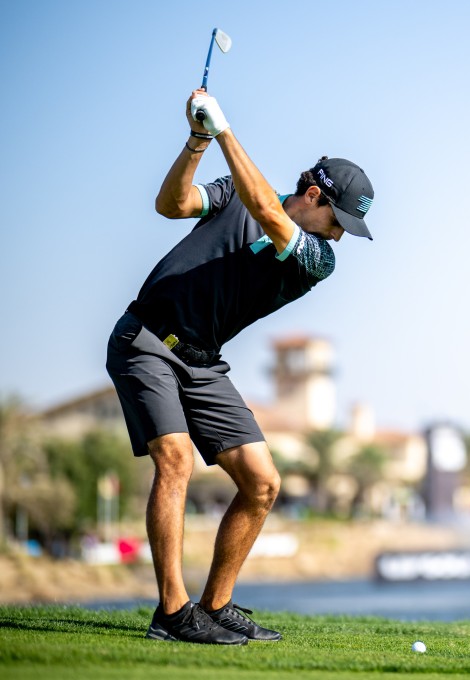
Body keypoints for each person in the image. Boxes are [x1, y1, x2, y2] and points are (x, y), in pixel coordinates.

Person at [105, 89, 375, 645]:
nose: (340, 233)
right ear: (313, 194)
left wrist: (225, 128)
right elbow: (172, 205)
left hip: (203, 364)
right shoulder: (234, 192)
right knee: (175, 461)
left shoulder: (316, 258)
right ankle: (174, 614)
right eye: (338, 218)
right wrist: (199, 141)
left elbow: (268, 214)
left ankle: (217, 604)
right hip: (147, 342)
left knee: (263, 483)